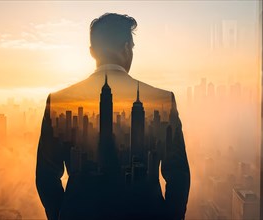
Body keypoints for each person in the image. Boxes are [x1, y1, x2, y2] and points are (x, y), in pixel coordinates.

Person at [36, 13, 190, 220]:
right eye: (132, 48)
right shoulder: (162, 99)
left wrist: (62, 216)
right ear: (127, 48)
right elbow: (178, 174)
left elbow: (46, 177)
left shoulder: (59, 101)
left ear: (92, 52)